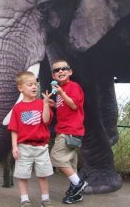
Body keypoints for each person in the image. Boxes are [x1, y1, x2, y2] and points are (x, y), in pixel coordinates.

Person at [8, 71, 55, 207]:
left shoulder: (41, 103)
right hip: (23, 147)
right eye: (30, 85)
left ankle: (45, 199)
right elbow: (14, 129)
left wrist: (45, 104)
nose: (34, 87)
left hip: (41, 147)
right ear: (20, 88)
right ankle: (24, 199)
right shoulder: (17, 108)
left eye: (35, 84)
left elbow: (46, 120)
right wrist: (15, 147)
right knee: (22, 175)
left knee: (43, 174)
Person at [49, 59, 86, 204]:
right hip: (67, 130)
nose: (60, 71)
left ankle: (78, 183)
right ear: (53, 76)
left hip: (69, 131)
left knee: (56, 156)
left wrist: (61, 94)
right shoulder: (60, 91)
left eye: (63, 68)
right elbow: (66, 108)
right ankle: (76, 194)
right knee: (70, 161)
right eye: (56, 70)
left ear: (70, 72)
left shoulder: (73, 86)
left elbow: (74, 106)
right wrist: (55, 105)